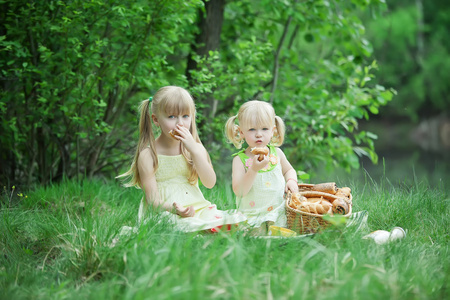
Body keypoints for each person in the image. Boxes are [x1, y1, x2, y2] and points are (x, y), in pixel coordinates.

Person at [118, 86, 246, 233]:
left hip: (196, 206)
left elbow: (210, 183)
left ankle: (205, 229)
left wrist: (194, 150)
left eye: (185, 116)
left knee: (224, 220)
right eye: (172, 117)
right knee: (172, 225)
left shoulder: (194, 148)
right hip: (165, 210)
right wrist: (175, 209)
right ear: (156, 120)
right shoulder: (148, 155)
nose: (180, 123)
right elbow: (153, 201)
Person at [225, 100, 299, 234]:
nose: (259, 134)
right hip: (252, 215)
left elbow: (289, 170)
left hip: (278, 212)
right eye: (252, 129)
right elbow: (239, 191)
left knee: (283, 237)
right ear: (241, 132)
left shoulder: (277, 153)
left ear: (273, 131)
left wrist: (291, 181)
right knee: (256, 239)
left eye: (264, 129)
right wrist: (253, 169)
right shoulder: (240, 160)